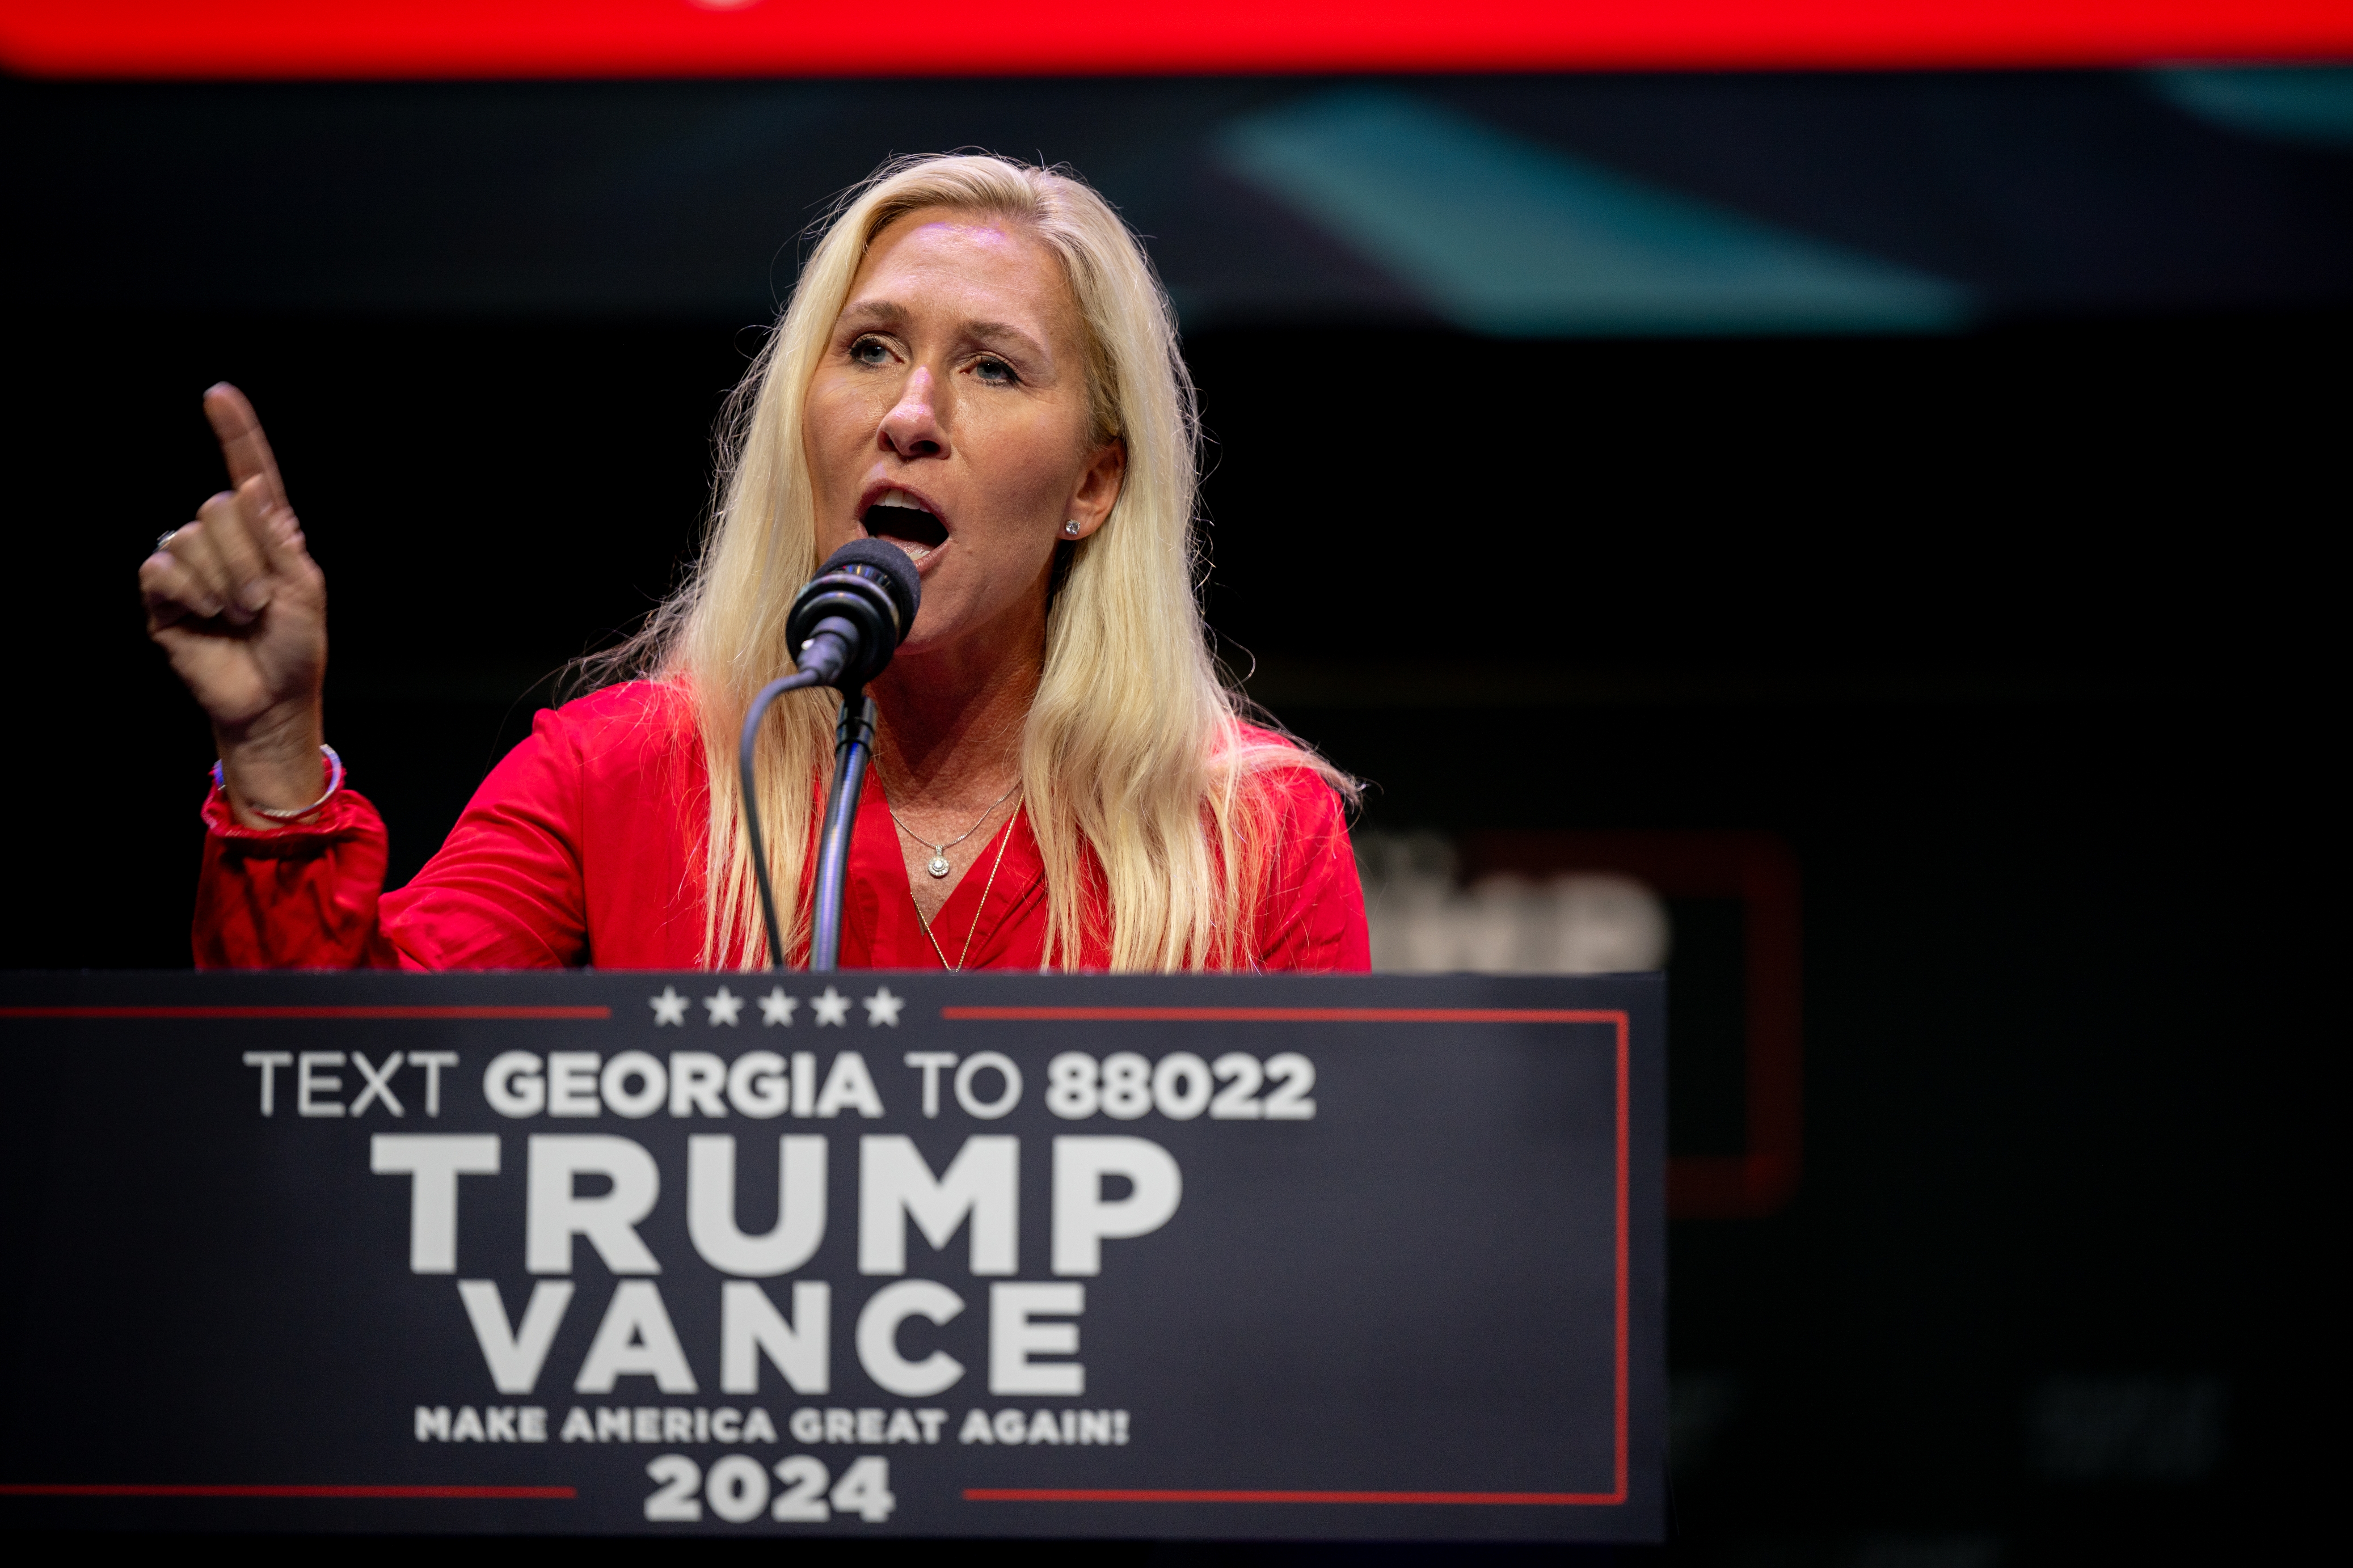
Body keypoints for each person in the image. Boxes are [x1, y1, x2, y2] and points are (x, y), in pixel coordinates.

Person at [140, 154, 1368, 973]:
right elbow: (338, 1099)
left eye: (993, 367)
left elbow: (1339, 1232)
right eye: (872, 349)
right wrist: (270, 753)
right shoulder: (615, 775)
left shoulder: (1247, 831)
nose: (911, 412)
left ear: (1093, 484)